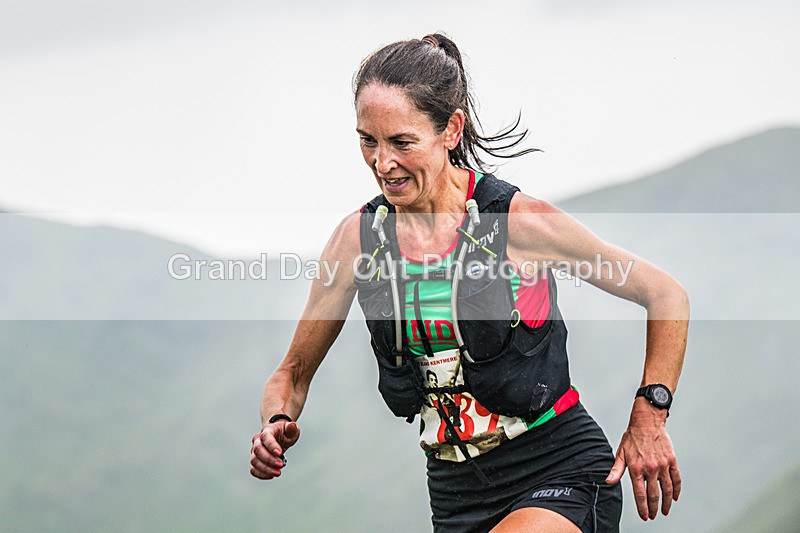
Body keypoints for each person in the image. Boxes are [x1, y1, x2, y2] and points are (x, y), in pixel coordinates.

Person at [250, 33, 689, 533]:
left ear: (451, 130)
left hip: (558, 468)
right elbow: (292, 375)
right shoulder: (358, 241)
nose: (381, 163)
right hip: (455, 495)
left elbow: (664, 293)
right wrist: (274, 423)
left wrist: (650, 415)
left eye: (401, 142)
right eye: (367, 141)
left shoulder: (518, 222)